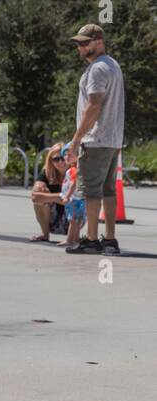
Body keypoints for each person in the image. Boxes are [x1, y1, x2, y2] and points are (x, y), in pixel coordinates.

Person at [64, 24, 124, 255]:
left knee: (91, 191)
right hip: (112, 139)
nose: (80, 48)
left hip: (96, 139)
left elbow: (94, 104)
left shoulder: (98, 68)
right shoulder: (113, 65)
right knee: (108, 190)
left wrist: (77, 139)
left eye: (85, 43)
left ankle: (91, 240)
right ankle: (110, 239)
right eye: (78, 43)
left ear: (99, 42)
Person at [29, 142, 68, 242]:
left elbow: (72, 201)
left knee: (78, 202)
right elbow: (35, 196)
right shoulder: (47, 172)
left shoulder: (75, 171)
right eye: (56, 159)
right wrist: (61, 197)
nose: (60, 162)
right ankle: (45, 234)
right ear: (50, 160)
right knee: (39, 190)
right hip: (52, 221)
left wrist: (48, 196)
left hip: (71, 220)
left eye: (63, 158)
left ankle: (73, 237)